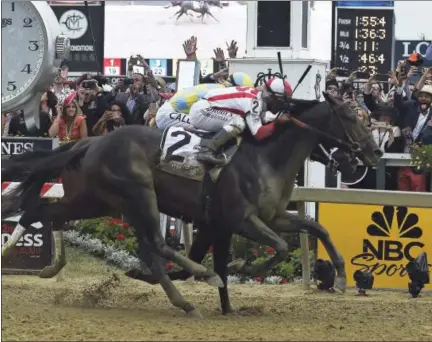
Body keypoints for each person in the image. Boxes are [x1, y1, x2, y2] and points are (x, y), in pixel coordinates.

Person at [189, 77, 293, 165]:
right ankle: (206, 150)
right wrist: (277, 123)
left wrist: (275, 117)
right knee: (238, 123)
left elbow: (261, 115)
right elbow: (258, 133)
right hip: (202, 111)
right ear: (271, 96)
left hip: (207, 106)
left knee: (240, 121)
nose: (280, 105)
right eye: (280, 101)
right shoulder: (254, 101)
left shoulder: (257, 95)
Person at [155, 72, 254, 130]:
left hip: (172, 109)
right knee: (209, 126)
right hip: (168, 113)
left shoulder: (220, 88)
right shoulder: (220, 92)